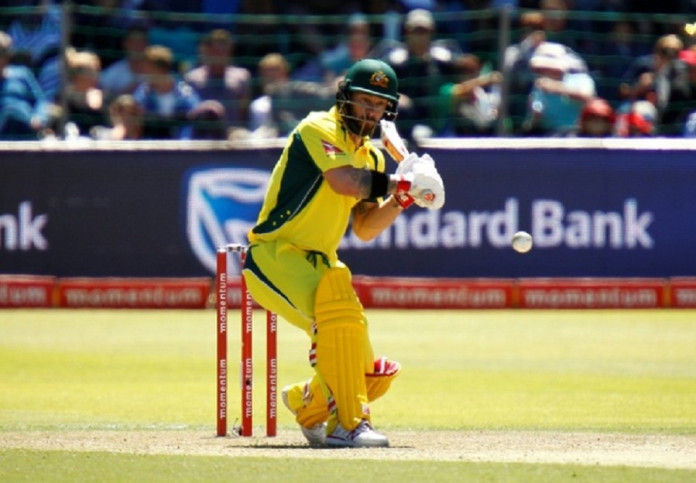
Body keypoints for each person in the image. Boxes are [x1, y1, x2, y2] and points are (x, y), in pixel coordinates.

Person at [241, 59, 445, 447]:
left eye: (378, 105)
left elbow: (366, 229)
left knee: (370, 373)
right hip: (274, 255)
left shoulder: (372, 156)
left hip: (321, 262)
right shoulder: (318, 128)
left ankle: (308, 402)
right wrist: (401, 179)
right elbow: (344, 182)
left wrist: (405, 197)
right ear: (345, 99)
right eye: (364, 102)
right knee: (341, 319)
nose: (370, 112)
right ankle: (348, 425)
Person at [183, 29, 252, 132]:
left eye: (224, 51)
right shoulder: (192, 79)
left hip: (232, 136)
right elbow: (189, 110)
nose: (220, 55)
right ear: (207, 52)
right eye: (216, 51)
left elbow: (243, 112)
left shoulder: (241, 77)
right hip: (201, 136)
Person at [132, 44, 201, 139]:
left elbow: (194, 120)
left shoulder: (185, 94)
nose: (144, 72)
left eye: (147, 68)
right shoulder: (142, 94)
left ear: (160, 69)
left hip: (182, 148)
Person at [0, 30, 52, 140]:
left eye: (5, 52)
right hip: (3, 130)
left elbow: (41, 101)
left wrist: (39, 118)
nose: (3, 57)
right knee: (10, 115)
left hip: (27, 127)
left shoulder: (22, 74)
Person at [99, 25, 150, 101]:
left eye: (141, 42)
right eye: (133, 42)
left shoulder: (156, 71)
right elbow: (102, 97)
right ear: (125, 43)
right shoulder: (114, 71)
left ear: (147, 44)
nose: (137, 46)